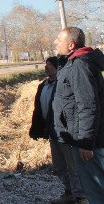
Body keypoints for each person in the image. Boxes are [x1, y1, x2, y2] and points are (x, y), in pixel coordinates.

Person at [52, 27, 104, 204]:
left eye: (59, 39)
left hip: (89, 144)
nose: (55, 42)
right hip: (81, 139)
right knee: (92, 188)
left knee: (96, 190)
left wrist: (86, 143)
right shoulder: (72, 62)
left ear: (71, 44)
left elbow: (88, 106)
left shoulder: (81, 65)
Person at [30, 56, 86, 204]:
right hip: (52, 132)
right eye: (45, 64)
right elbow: (39, 109)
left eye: (49, 65)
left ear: (57, 67)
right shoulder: (43, 86)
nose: (46, 67)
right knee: (59, 166)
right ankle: (69, 193)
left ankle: (80, 197)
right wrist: (36, 129)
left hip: (66, 133)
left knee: (72, 166)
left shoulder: (65, 85)